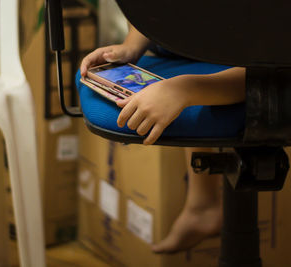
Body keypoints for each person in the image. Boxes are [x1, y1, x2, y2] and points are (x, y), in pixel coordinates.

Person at [80, 24, 245, 253]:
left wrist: (185, 90)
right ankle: (202, 203)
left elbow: (277, 67)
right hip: (195, 47)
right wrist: (131, 45)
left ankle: (202, 204)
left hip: (256, 66)